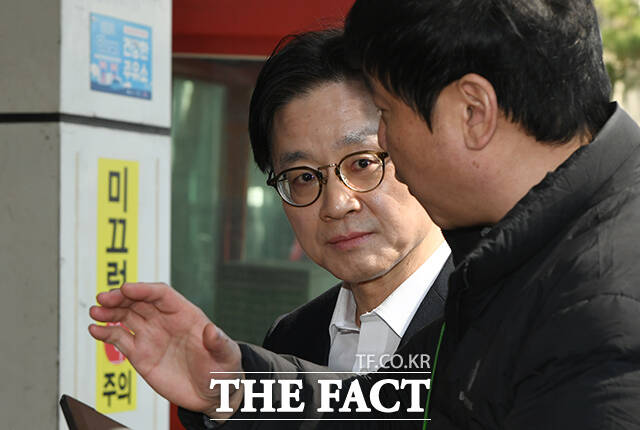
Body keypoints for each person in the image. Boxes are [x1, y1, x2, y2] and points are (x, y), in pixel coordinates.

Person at [89, 0, 640, 428]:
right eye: (303, 177)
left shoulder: (598, 304)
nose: (338, 202)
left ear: (473, 112)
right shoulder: (517, 275)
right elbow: (392, 414)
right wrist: (234, 384)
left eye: (379, 132)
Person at [250, 30, 451, 372]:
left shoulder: (503, 325)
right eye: (304, 177)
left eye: (362, 163)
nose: (336, 204)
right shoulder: (289, 340)